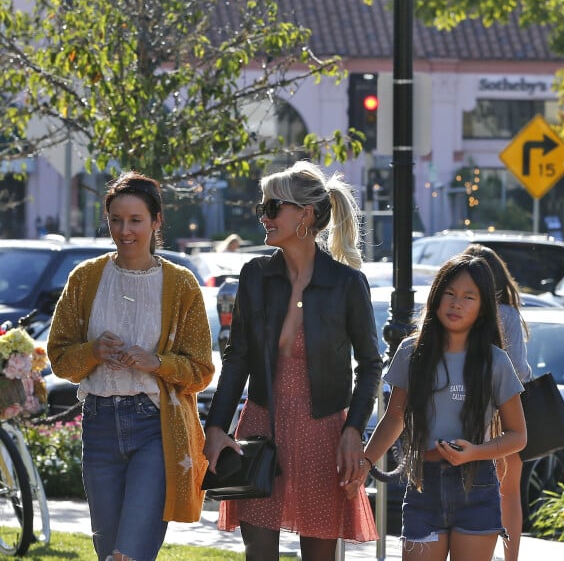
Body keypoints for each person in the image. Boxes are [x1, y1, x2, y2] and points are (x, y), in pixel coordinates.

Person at [203, 160, 382, 561]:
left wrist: (354, 429)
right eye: (261, 208)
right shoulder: (255, 276)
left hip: (323, 437)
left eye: (272, 207)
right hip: (260, 428)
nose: (263, 217)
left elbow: (371, 363)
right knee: (259, 554)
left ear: (304, 214)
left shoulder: (346, 283)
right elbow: (237, 358)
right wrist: (216, 426)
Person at [47, 172, 215, 561]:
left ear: (156, 221)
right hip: (99, 424)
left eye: (135, 220)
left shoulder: (181, 284)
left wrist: (156, 362)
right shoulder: (85, 278)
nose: (124, 230)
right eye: (116, 219)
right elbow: (59, 359)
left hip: (154, 428)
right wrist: (93, 351)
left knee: (130, 553)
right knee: (109, 553)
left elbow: (201, 370)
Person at [348, 253, 527, 561]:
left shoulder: (495, 361)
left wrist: (474, 452)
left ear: (483, 307)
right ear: (435, 296)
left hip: (478, 486)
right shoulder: (410, 352)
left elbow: (518, 436)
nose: (456, 303)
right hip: (423, 486)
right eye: (450, 293)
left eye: (469, 297)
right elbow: (394, 417)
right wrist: (364, 464)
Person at [463, 243, 532, 561]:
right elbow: (518, 368)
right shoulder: (509, 313)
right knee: (508, 492)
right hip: (507, 410)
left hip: (472, 408)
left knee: (476, 489)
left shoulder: (475, 312)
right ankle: (509, 557)